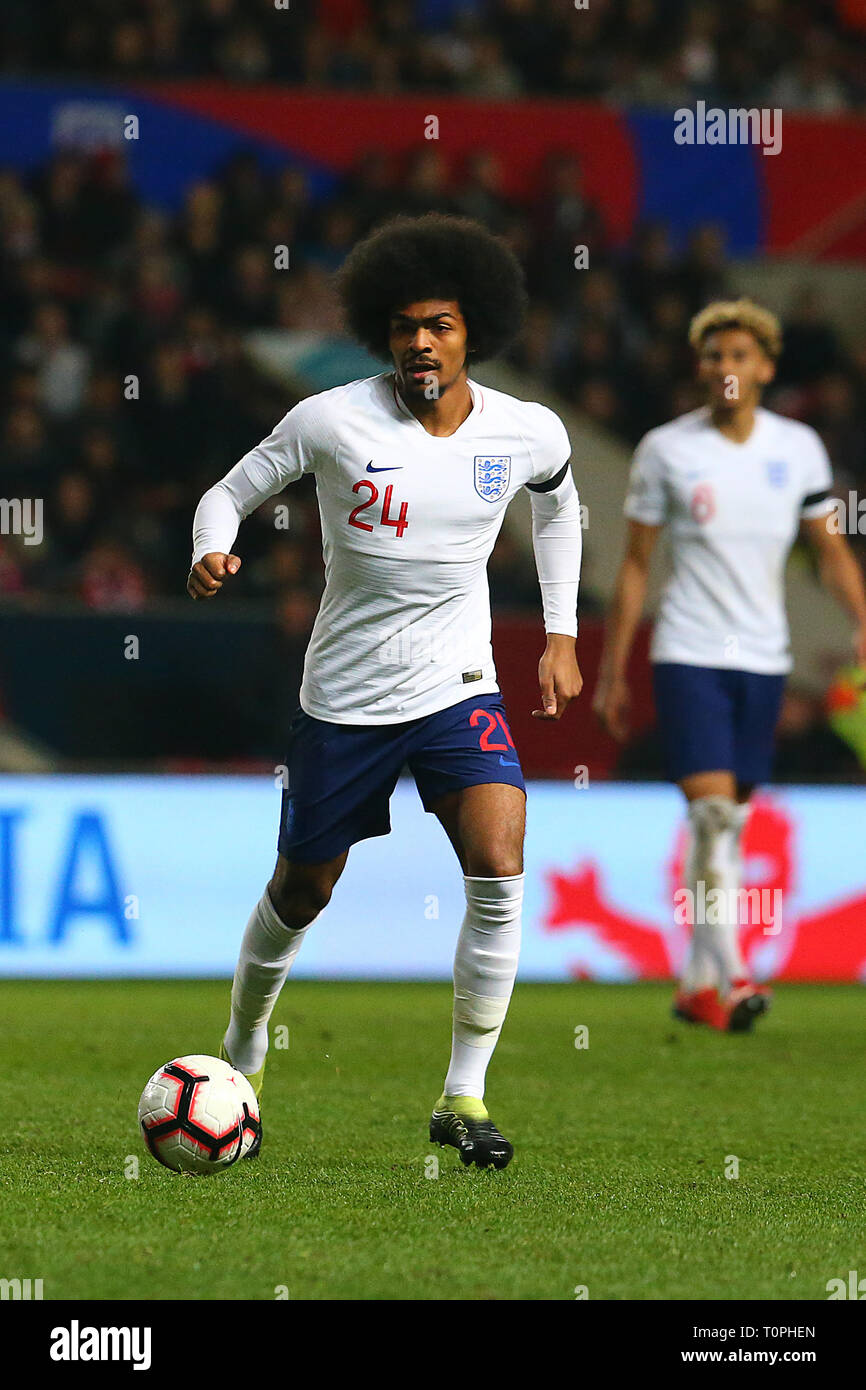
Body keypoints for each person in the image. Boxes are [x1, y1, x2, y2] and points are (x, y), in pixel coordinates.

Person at [187, 214, 583, 1167]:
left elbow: (562, 504)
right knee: (302, 888)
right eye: (405, 326)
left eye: (438, 325)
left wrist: (561, 632)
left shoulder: (526, 430)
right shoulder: (331, 419)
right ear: (383, 333)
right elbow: (229, 491)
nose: (419, 343)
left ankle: (464, 1093)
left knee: (499, 860)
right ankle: (242, 1051)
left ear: (469, 331)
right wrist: (211, 545)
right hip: (346, 699)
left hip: (461, 686)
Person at [594, 298, 866, 1031]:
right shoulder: (667, 449)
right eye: (714, 356)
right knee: (714, 814)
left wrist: (864, 619)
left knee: (730, 825)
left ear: (767, 368)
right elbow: (635, 566)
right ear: (700, 367)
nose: (726, 369)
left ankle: (691, 982)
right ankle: (737, 973)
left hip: (764, 659)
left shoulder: (799, 449)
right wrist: (615, 670)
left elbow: (831, 549)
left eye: (740, 356)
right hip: (689, 652)